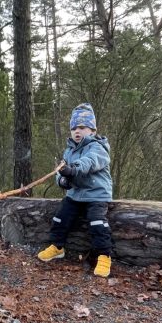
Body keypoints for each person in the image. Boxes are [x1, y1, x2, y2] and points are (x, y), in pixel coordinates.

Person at [37, 103, 113, 277]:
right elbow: (61, 170)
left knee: (97, 222)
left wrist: (74, 169)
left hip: (96, 194)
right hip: (76, 194)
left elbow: (90, 162)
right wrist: (63, 179)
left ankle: (104, 255)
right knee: (60, 216)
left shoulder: (98, 147)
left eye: (82, 127)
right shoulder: (69, 150)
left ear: (92, 130)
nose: (77, 131)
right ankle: (57, 247)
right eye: (74, 128)